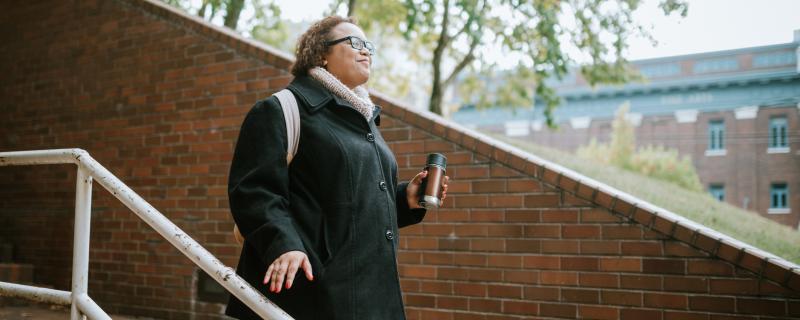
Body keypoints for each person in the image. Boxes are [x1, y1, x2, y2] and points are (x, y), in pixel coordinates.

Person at [225, 16, 449, 320]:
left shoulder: (363, 118)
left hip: (373, 300)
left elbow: (350, 209)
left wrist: (404, 200)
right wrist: (283, 244)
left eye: (368, 45)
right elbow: (253, 191)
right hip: (311, 295)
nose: (366, 51)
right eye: (354, 43)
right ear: (320, 55)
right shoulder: (281, 110)